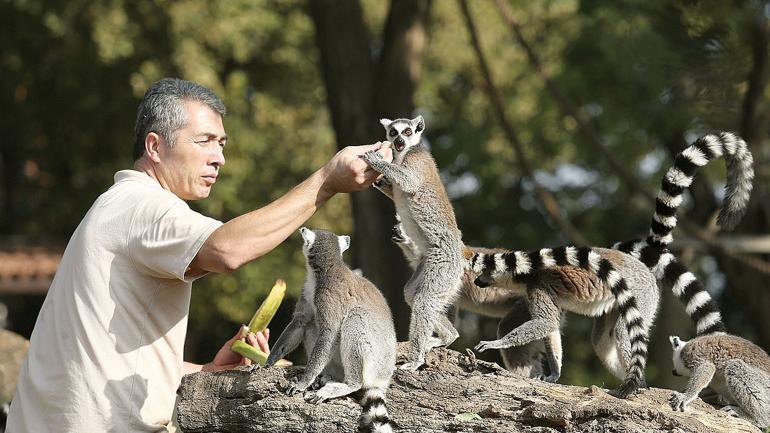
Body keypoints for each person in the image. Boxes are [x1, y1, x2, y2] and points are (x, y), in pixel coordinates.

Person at [6, 78, 392, 432]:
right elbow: (227, 250)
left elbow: (103, 357)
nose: (218, 157)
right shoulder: (141, 206)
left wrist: (204, 369)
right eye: (203, 140)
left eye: (221, 144)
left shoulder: (116, 205)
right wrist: (325, 183)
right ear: (155, 146)